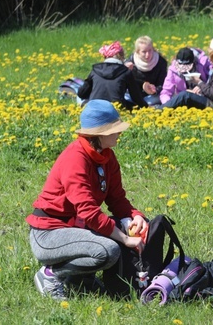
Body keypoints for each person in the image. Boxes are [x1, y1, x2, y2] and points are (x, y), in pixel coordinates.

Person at [26, 100, 148, 300]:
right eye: (115, 129)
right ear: (100, 133)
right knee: (109, 250)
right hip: (49, 232)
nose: (120, 132)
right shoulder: (76, 158)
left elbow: (117, 198)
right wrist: (125, 239)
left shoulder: (107, 156)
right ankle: (51, 275)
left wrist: (135, 216)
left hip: (76, 228)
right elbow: (88, 213)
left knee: (129, 229)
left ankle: (81, 280)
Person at [77, 41, 147, 110]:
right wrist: (147, 108)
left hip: (95, 108)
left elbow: (81, 94)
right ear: (122, 57)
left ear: (105, 56)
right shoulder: (125, 72)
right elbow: (136, 97)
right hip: (116, 109)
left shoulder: (95, 71)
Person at [124, 36, 168, 102]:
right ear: (137, 51)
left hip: (153, 96)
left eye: (150, 51)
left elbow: (163, 84)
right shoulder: (130, 62)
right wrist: (124, 70)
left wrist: (155, 89)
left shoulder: (161, 62)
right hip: (134, 95)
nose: (148, 55)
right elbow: (123, 84)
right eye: (144, 52)